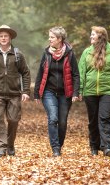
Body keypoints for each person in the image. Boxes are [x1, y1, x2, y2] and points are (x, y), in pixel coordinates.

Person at [0, 24, 31, 157]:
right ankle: (1, 148)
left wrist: (26, 91)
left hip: (14, 93)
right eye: (1, 36)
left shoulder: (17, 54)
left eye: (6, 36)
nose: (3, 38)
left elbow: (25, 73)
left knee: (13, 120)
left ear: (10, 38)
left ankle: (10, 144)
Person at [78, 26, 110, 157]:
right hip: (90, 91)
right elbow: (81, 72)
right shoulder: (86, 52)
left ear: (100, 36)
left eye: (93, 34)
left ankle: (107, 147)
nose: (90, 36)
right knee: (93, 120)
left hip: (108, 91)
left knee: (105, 118)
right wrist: (80, 90)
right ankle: (94, 146)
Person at [34, 26, 80, 156]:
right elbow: (40, 73)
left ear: (59, 39)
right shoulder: (46, 53)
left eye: (52, 37)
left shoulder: (69, 53)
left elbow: (76, 74)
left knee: (63, 121)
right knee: (53, 118)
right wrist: (37, 92)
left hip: (65, 93)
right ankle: (55, 148)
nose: (49, 39)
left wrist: (76, 92)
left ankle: (59, 145)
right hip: (49, 92)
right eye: (49, 37)